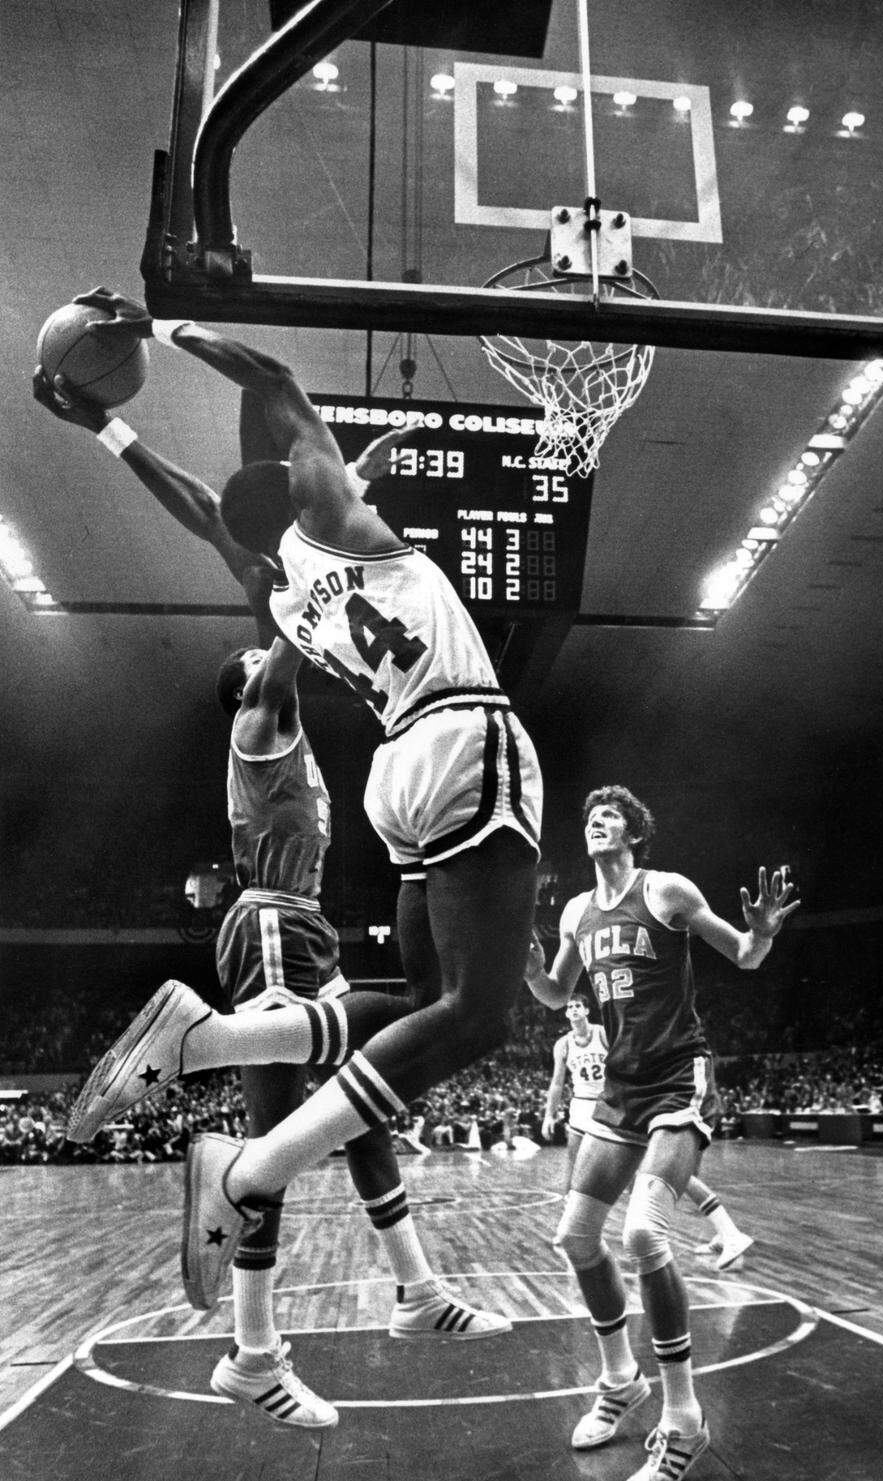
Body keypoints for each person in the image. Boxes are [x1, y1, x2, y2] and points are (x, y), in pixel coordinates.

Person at [37, 369, 511, 1430]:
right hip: (270, 923)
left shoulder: (280, 707)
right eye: (256, 655)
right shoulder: (263, 710)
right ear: (243, 683)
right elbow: (247, 550)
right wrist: (327, 503)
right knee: (275, 1135)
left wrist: (343, 491)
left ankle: (416, 1289)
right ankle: (252, 1350)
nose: (267, 649)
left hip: (301, 926)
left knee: (362, 1102)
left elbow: (255, 544)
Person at [525, 785, 798, 1481]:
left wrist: (763, 930)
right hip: (619, 1087)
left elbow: (745, 955)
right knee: (575, 1238)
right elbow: (556, 993)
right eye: (590, 816)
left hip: (677, 1080)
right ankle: (621, 1380)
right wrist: (526, 963)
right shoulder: (576, 911)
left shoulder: (666, 890)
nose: (595, 822)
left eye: (609, 816)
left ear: (634, 833)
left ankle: (684, 1418)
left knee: (644, 1235)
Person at [543, 992, 754, 1268]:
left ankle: (729, 1233)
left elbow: (627, 1060)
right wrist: (549, 1114)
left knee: (665, 1174)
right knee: (577, 1172)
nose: (572, 1010)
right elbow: (557, 1082)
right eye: (569, 1006)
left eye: (577, 1006)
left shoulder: (605, 1033)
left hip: (614, 1104)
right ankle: (573, 1230)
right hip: (583, 1107)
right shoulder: (563, 1045)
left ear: (587, 1010)